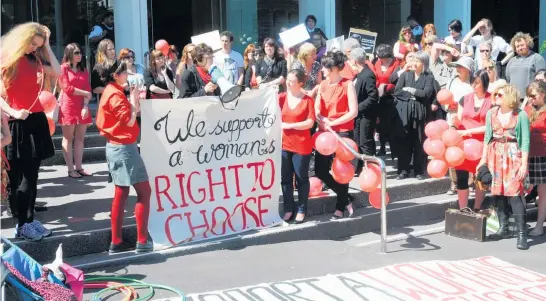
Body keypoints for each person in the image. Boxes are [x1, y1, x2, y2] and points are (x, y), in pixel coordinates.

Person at [0, 22, 61, 241]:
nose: (34, 48)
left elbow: (57, 71)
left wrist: (47, 47)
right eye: (32, 43)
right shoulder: (9, 60)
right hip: (18, 122)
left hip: (36, 120)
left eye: (38, 45)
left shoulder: (35, 59)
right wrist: (13, 111)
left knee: (33, 175)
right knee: (20, 177)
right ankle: (21, 223)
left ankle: (29, 219)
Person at [95, 60, 153, 254]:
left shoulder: (111, 91)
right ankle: (142, 240)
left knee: (121, 193)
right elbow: (128, 122)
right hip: (124, 148)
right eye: (125, 73)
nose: (128, 75)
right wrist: (134, 99)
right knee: (144, 192)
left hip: (116, 146)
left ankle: (116, 241)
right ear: (115, 75)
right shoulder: (115, 95)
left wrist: (132, 99)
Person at [479, 84, 530, 250]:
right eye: (495, 94)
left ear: (509, 96)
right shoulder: (491, 113)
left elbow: (525, 141)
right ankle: (504, 228)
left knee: (515, 193)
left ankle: (522, 234)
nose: (496, 97)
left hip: (513, 155)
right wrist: (483, 160)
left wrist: (524, 164)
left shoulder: (520, 115)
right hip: (495, 154)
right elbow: (487, 137)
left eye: (500, 94)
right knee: (498, 192)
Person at [315, 51, 358, 219]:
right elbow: (317, 108)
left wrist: (333, 122)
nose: (322, 70)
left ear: (333, 68)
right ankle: (346, 197)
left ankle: (340, 206)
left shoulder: (348, 85)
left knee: (342, 171)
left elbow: (353, 111)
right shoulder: (323, 85)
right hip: (324, 134)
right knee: (320, 170)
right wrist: (320, 117)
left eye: (325, 67)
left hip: (342, 132)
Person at [279, 69, 315, 224]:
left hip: (301, 144)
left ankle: (302, 208)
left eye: (292, 80)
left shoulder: (307, 100)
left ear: (300, 83)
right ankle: (288, 208)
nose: (288, 82)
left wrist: (289, 125)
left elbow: (310, 123)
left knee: (301, 178)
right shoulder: (281, 98)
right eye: (287, 79)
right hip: (284, 144)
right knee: (285, 179)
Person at [453, 70, 492, 210]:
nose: (473, 86)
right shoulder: (464, 99)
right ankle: (463, 208)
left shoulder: (492, 100)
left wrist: (468, 131)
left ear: (484, 83)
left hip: (482, 145)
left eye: (477, 83)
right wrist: (455, 121)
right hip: (464, 144)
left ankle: (477, 207)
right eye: (472, 82)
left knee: (480, 178)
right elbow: (459, 120)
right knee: (461, 177)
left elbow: (490, 127)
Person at [392, 51, 435, 180]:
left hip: (420, 112)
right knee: (404, 140)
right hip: (405, 112)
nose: (414, 63)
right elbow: (397, 91)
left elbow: (426, 94)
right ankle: (403, 170)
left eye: (417, 61)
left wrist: (410, 90)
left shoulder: (428, 77)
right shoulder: (405, 75)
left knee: (418, 141)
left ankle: (418, 170)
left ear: (424, 63)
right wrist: (413, 95)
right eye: (414, 60)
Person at [58, 43, 93, 179]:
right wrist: (84, 92)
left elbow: (88, 89)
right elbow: (67, 88)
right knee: (68, 138)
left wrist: (85, 106)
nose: (79, 55)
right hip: (68, 106)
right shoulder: (63, 69)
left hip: (81, 106)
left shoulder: (83, 69)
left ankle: (79, 167)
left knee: (80, 139)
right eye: (76, 53)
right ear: (69, 54)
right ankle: (70, 169)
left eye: (80, 53)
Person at [525, 80, 546, 236]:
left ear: (543, 94)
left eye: (533, 96)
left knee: (543, 191)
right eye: (528, 96)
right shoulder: (527, 109)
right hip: (528, 154)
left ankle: (539, 225)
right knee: (529, 188)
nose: (531, 99)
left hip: (543, 154)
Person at [350, 48, 378, 160]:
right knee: (358, 140)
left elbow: (373, 97)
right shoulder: (360, 74)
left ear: (354, 61)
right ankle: (361, 167)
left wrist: (357, 108)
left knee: (365, 142)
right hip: (359, 115)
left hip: (366, 115)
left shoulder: (367, 75)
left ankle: (371, 168)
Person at [372, 44, 400, 157]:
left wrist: (386, 88)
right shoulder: (377, 63)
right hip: (380, 96)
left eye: (381, 57)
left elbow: (396, 81)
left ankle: (395, 149)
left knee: (392, 124)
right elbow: (375, 77)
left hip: (392, 96)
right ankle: (382, 146)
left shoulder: (396, 63)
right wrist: (378, 87)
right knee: (381, 124)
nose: (380, 59)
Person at [506, 32, 546, 99]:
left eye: (522, 45)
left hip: (530, 99)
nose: (520, 48)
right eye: (517, 46)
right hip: (513, 99)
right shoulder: (512, 61)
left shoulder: (537, 58)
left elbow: (541, 81)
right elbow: (508, 78)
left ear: (528, 43)